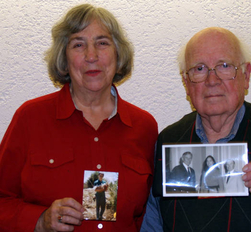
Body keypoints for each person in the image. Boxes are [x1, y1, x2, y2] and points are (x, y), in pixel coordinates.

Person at [0, 4, 158, 232]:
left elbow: (152, 216)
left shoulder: (145, 127)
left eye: (102, 43)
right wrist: (40, 220)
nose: (91, 56)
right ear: (64, 57)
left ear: (118, 53)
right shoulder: (30, 118)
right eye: (78, 44)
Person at [141, 27, 251, 231]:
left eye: (224, 66)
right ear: (186, 82)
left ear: (246, 75)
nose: (212, 80)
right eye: (199, 69)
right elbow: (152, 224)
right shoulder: (168, 142)